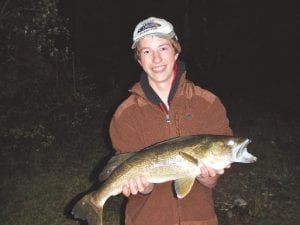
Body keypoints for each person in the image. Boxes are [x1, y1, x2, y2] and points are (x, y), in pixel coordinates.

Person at [109, 17, 233, 225]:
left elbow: (212, 181)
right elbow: (134, 184)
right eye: (147, 51)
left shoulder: (208, 103)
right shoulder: (124, 115)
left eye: (163, 48)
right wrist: (142, 187)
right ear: (139, 59)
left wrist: (208, 176)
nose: (156, 59)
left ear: (176, 51)